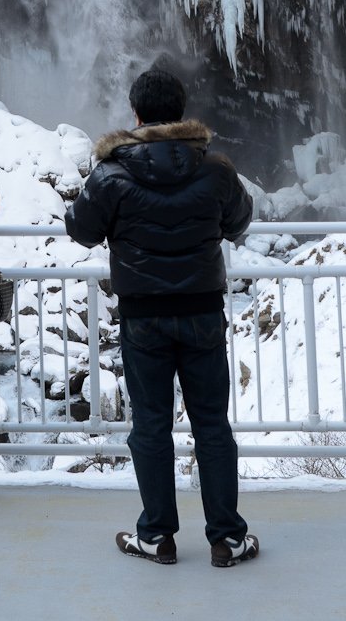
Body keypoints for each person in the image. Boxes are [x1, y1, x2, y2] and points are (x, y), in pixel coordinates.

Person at [65, 66, 259, 569]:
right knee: (211, 424)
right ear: (181, 112)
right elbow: (239, 221)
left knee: (150, 426)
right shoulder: (215, 169)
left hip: (143, 317)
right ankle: (227, 538)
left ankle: (156, 536)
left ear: (136, 113)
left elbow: (81, 230)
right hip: (202, 312)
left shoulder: (110, 174)